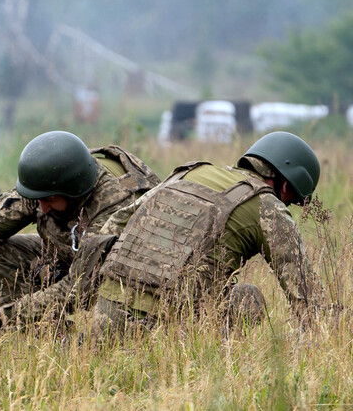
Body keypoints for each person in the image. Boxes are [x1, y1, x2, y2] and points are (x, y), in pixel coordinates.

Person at [94, 131, 326, 331]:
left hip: (105, 315)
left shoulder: (188, 173)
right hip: (167, 329)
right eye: (290, 199)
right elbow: (309, 299)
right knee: (247, 297)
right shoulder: (268, 206)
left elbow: (112, 227)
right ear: (286, 185)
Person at [0, 130, 160, 328]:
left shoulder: (112, 209)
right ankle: (33, 333)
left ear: (75, 193)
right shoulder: (50, 181)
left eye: (49, 200)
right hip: (70, 255)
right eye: (37, 198)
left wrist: (3, 316)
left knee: (108, 329)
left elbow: (79, 288)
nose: (41, 207)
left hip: (120, 278)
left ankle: (55, 338)